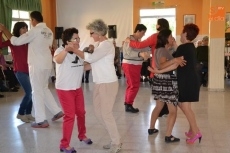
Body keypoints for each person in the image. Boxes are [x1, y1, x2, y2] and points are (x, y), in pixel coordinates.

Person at [66, 19, 122, 153]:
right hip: (99, 82)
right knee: (98, 113)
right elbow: (92, 64)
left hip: (108, 83)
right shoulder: (98, 45)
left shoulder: (106, 45)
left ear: (99, 32)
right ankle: (115, 138)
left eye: (92, 33)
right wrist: (75, 68)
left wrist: (74, 49)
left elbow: (90, 59)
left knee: (106, 114)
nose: (91, 35)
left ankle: (116, 142)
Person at [1, 11, 64, 128]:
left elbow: (16, 41)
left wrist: (4, 29)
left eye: (30, 21)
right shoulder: (49, 31)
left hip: (37, 65)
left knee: (36, 91)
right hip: (47, 64)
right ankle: (57, 111)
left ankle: (41, 120)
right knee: (44, 88)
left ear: (33, 20)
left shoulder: (35, 31)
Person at [149, 23, 202, 144]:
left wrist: (158, 71)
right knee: (184, 107)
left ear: (185, 34)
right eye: (171, 36)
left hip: (187, 81)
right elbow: (174, 62)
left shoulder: (182, 48)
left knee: (185, 107)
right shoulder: (190, 47)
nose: (177, 36)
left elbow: (174, 63)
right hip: (189, 80)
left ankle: (195, 131)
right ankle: (193, 130)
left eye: (181, 33)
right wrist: (159, 70)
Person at [54, 28, 92, 153]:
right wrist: (66, 50)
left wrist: (99, 63)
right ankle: (64, 145)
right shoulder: (60, 50)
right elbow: (58, 60)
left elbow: (83, 67)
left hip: (77, 88)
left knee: (81, 112)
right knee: (70, 116)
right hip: (64, 89)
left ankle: (82, 135)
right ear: (67, 41)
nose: (78, 40)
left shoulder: (78, 52)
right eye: (75, 38)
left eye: (78, 38)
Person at [126, 18, 170, 116]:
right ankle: (165, 108)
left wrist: (130, 41)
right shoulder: (169, 36)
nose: (156, 25)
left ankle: (161, 109)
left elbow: (140, 45)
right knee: (165, 86)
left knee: (158, 87)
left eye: (157, 24)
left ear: (159, 26)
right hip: (167, 63)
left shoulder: (156, 36)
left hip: (157, 64)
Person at [147, 29, 186, 143]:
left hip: (159, 80)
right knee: (172, 110)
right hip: (167, 81)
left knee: (158, 106)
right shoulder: (163, 51)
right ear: (165, 38)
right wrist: (175, 60)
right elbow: (163, 65)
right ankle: (168, 135)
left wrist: (173, 46)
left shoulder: (159, 49)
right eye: (170, 36)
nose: (172, 38)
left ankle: (151, 128)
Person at [0, 22, 35, 123]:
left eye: (26, 28)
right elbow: (1, 44)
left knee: (32, 93)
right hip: (19, 70)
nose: (25, 30)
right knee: (28, 92)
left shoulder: (27, 41)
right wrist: (1, 31)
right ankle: (20, 113)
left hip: (30, 70)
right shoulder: (13, 41)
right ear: (17, 29)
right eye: (22, 28)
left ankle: (28, 114)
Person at [122, 24, 150, 113]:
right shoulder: (129, 40)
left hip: (136, 64)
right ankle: (129, 104)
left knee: (131, 85)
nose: (143, 35)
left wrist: (147, 50)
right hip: (130, 64)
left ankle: (127, 103)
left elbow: (143, 48)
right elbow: (127, 54)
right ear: (137, 31)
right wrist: (140, 54)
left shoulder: (138, 40)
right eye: (142, 33)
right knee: (134, 85)